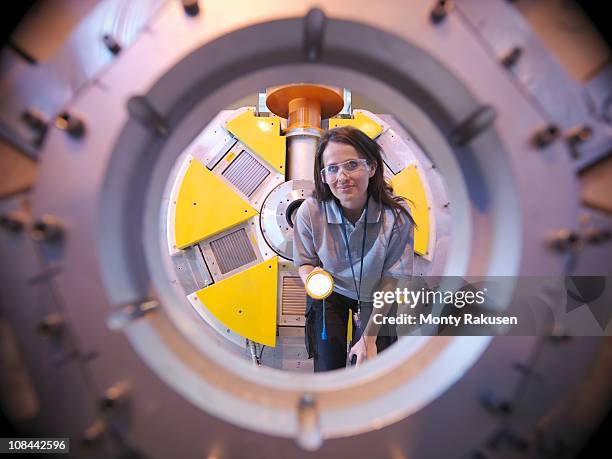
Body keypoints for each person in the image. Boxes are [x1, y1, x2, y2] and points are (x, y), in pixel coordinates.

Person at [293, 126, 415, 372]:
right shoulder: (311, 211)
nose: (342, 177)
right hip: (331, 293)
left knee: (372, 368)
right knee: (328, 370)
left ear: (371, 167)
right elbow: (305, 261)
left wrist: (368, 339)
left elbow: (392, 279)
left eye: (351, 165)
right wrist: (312, 279)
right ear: (324, 175)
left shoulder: (396, 216)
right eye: (333, 168)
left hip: (378, 293)